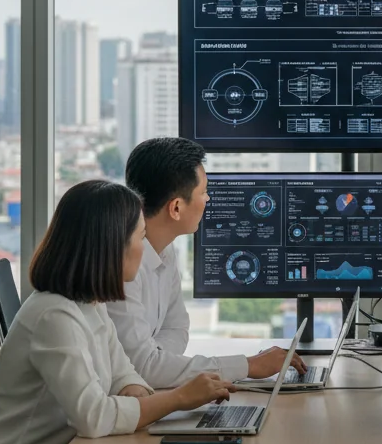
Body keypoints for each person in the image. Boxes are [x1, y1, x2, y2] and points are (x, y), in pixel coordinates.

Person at [0, 180, 237, 444]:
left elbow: (122, 373)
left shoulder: (90, 303)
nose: (142, 250)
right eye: (140, 237)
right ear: (111, 247)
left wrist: (140, 395)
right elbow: (93, 418)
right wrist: (178, 399)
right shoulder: (54, 315)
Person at [106, 137, 305, 388]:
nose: (208, 200)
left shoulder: (166, 249)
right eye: (203, 192)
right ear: (176, 208)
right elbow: (142, 367)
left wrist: (157, 360)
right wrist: (248, 366)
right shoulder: (120, 266)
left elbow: (177, 328)